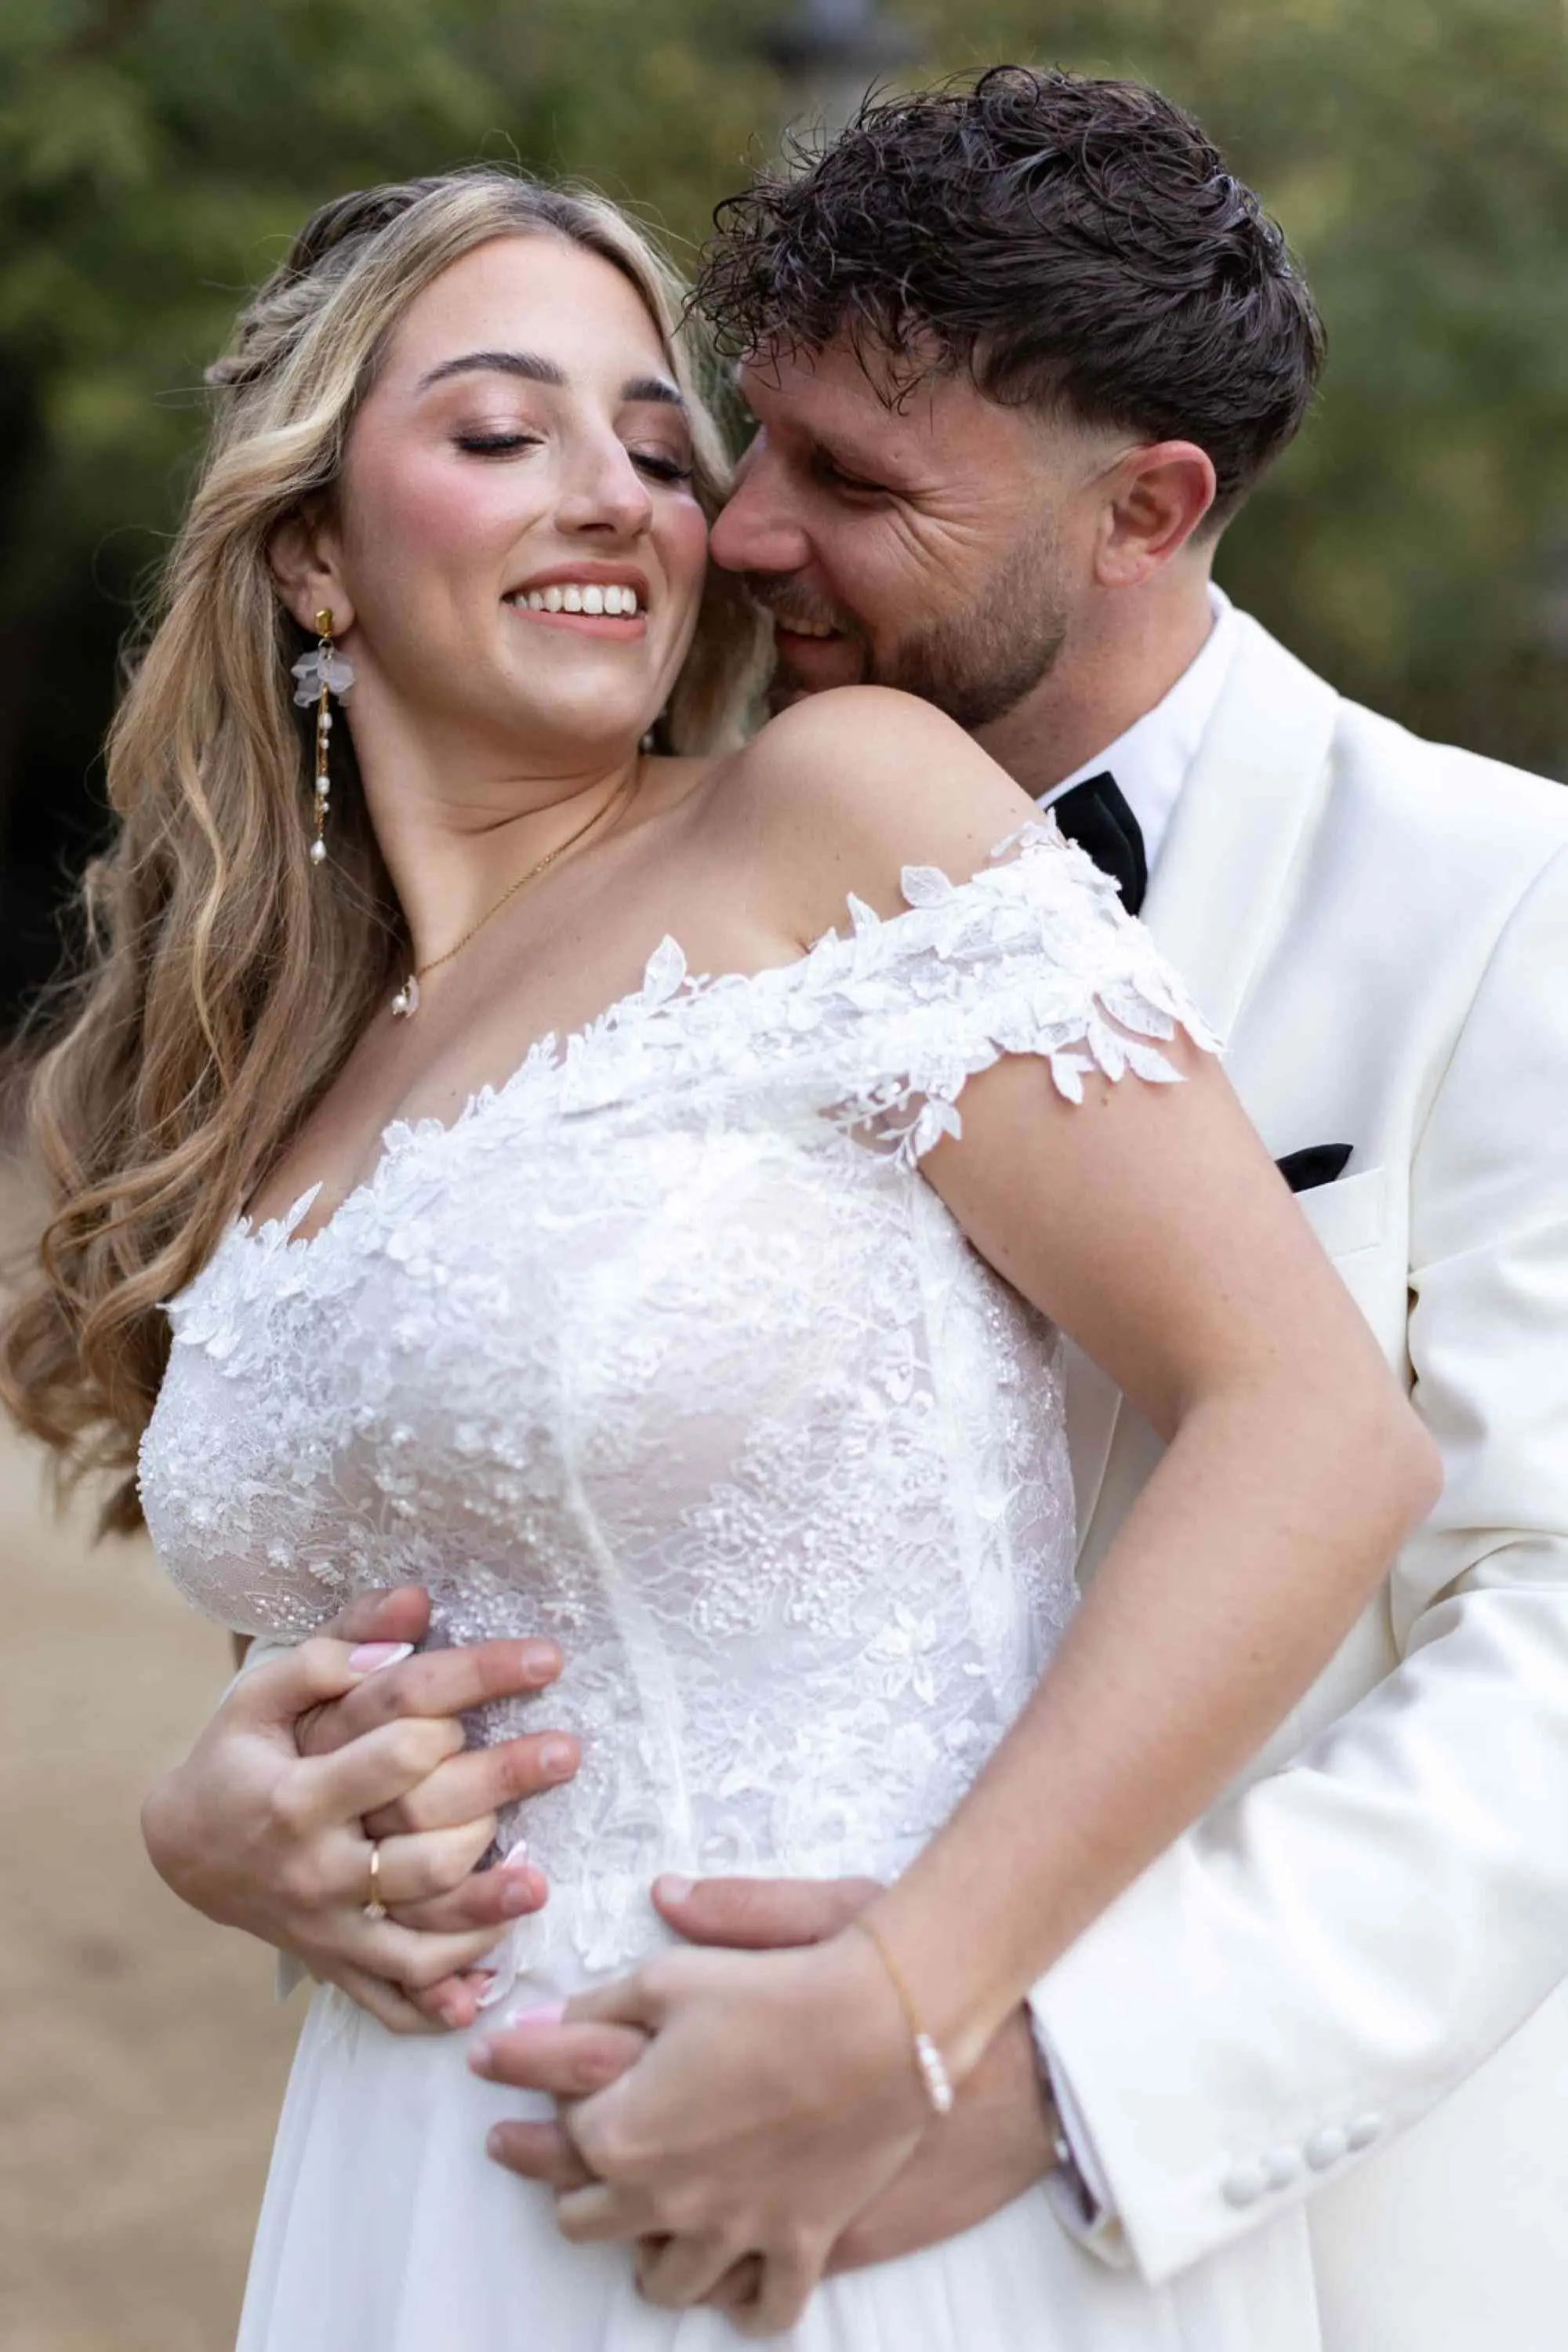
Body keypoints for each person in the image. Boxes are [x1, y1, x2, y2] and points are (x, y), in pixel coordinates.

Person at [129, 69, 1568, 2352]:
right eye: (747, 447)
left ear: (1148, 509)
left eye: (841, 478)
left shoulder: (1493, 905)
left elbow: (1526, 1629)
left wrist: (999, 2040)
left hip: (1107, 2170)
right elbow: (501, 1549)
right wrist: (226, 1824)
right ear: (309, 548)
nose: (732, 527)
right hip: (431, 2196)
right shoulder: (356, 1041)